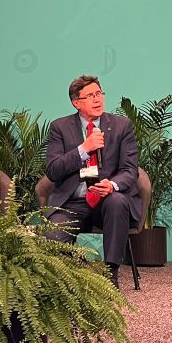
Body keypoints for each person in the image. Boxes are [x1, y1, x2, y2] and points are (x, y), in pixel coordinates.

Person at [44, 75, 140, 288]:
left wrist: (112, 185)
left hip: (106, 199)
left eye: (99, 93)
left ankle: (110, 274)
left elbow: (129, 170)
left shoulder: (121, 126)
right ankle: (66, 280)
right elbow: (52, 170)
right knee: (54, 233)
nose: (97, 99)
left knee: (118, 202)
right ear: (76, 102)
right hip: (72, 202)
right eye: (90, 96)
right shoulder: (60, 127)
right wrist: (83, 149)